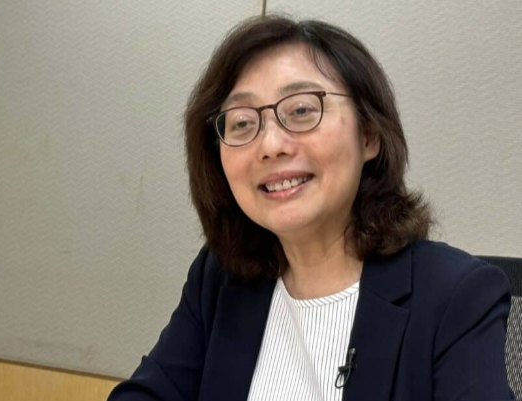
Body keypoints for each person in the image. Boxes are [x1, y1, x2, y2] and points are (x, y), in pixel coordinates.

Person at [107, 15, 514, 401]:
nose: (270, 146)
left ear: (369, 135)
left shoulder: (455, 297)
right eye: (242, 122)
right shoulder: (220, 276)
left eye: (301, 110)